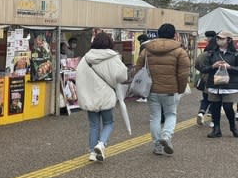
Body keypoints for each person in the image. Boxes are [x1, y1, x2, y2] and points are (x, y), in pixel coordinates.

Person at [136, 23, 191, 155]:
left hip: (152, 89)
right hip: (171, 90)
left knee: (154, 117)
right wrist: (181, 89)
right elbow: (183, 74)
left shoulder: (146, 50)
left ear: (158, 34)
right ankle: (166, 136)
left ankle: (157, 146)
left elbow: (138, 69)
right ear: (174, 35)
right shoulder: (180, 51)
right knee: (170, 114)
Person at [75, 32, 128, 162]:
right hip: (106, 96)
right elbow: (123, 76)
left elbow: (79, 77)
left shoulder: (86, 58)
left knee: (94, 125)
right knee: (108, 123)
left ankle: (93, 152)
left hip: (90, 97)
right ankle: (101, 144)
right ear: (110, 43)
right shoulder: (113, 57)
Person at [202, 30, 238, 138]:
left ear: (229, 40)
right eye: (217, 38)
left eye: (222, 38)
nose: (218, 40)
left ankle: (233, 127)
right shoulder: (211, 53)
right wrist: (213, 66)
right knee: (215, 107)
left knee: (228, 107)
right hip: (214, 84)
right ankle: (216, 129)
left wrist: (229, 67)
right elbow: (203, 69)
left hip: (229, 85)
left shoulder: (235, 54)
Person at [195, 31, 217, 126]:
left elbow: (197, 64)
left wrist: (203, 71)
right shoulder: (220, 53)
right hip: (218, 79)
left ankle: (201, 112)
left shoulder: (206, 52)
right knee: (216, 99)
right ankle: (212, 118)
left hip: (206, 78)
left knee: (205, 97)